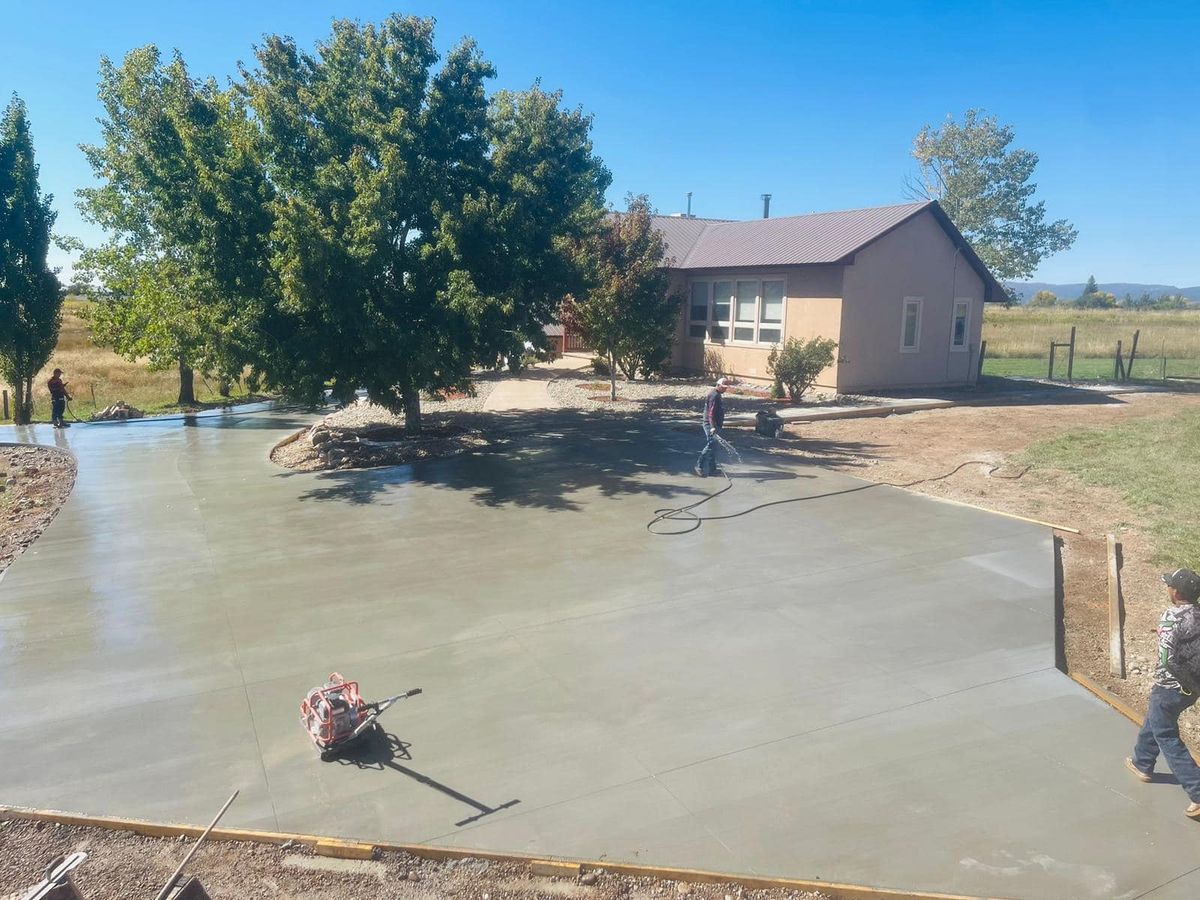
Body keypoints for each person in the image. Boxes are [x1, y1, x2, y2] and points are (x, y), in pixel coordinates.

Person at [1127, 567, 1200, 818]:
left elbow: (1166, 657)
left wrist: (1178, 681)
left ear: (1176, 592)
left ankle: (1197, 791)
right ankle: (1142, 762)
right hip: (1193, 688)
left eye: (1169, 585)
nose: (1168, 588)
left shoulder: (1172, 616)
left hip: (1171, 686)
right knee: (1157, 720)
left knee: (1166, 734)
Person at [695, 377, 730, 477]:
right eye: (723, 387)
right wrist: (712, 427)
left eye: (726, 387)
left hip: (714, 424)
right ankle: (699, 466)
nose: (725, 389)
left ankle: (712, 469)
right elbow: (711, 413)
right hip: (710, 425)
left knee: (713, 447)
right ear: (718, 385)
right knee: (710, 446)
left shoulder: (716, 394)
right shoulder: (714, 395)